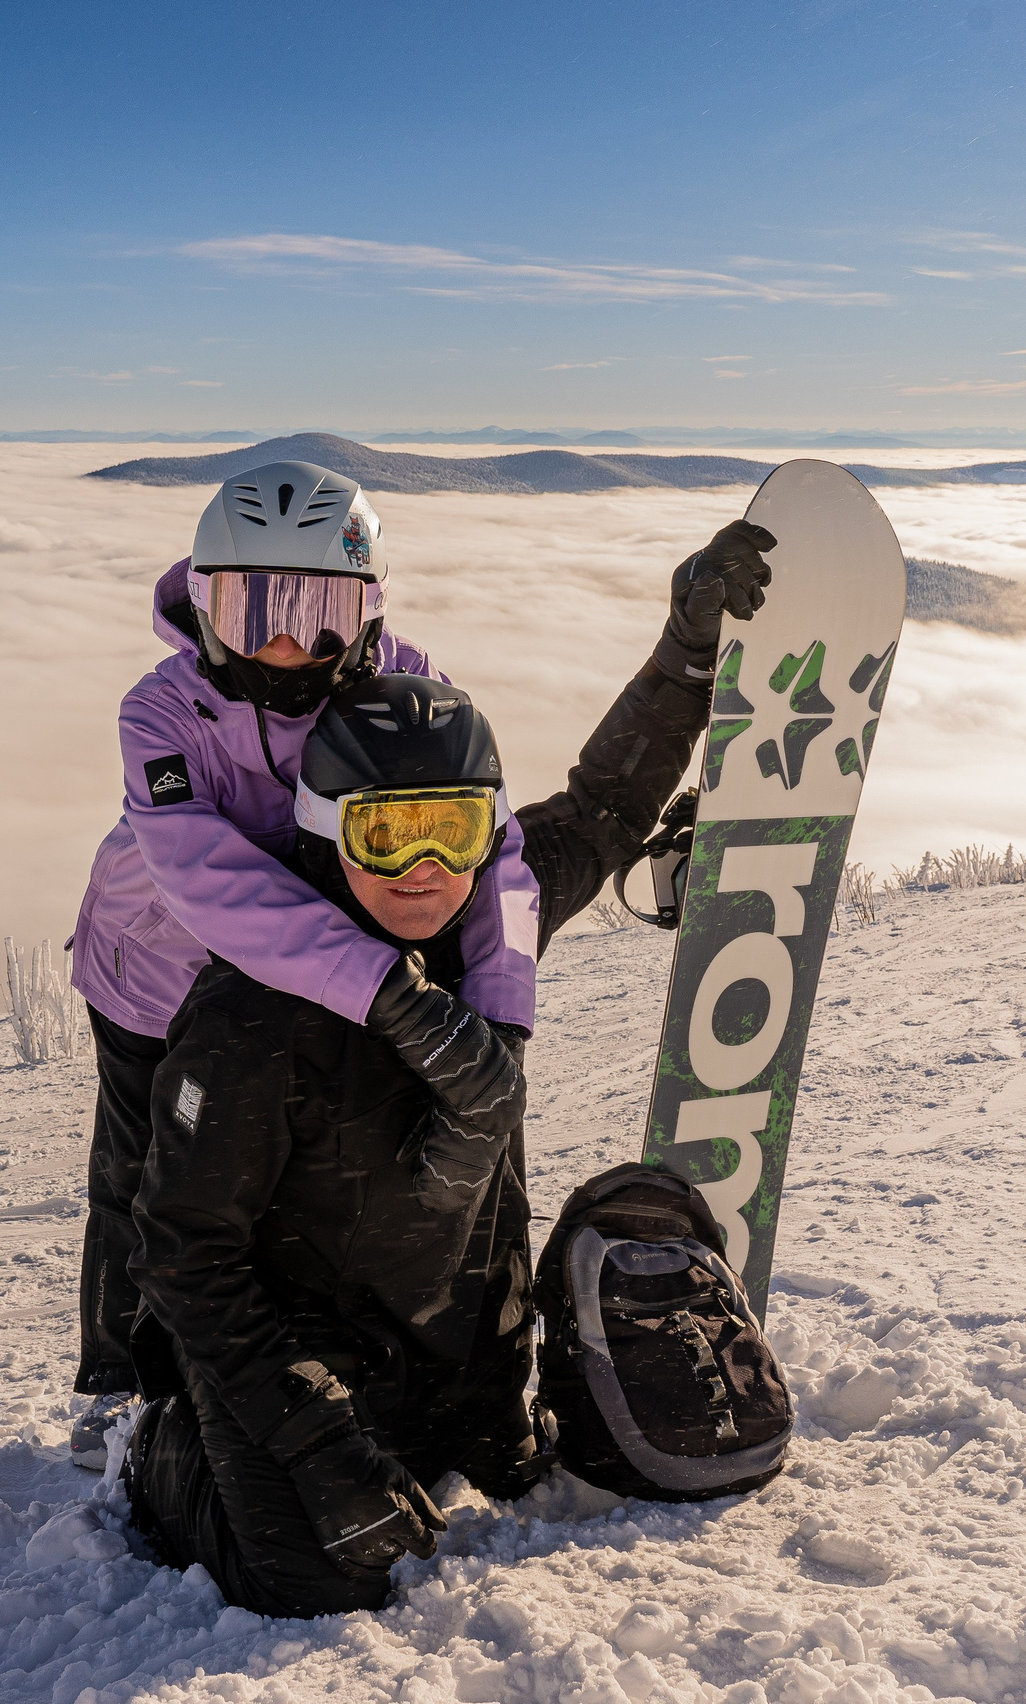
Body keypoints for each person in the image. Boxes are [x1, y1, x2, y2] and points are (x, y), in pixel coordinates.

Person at [117, 522, 776, 1619]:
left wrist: (685, 655)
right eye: (388, 835)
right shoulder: (252, 1015)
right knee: (313, 1579)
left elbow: (606, 807)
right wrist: (317, 1445)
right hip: (300, 1368)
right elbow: (185, 1259)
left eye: (454, 829)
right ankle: (156, 1452)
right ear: (329, 830)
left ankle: (585, 1274)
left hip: (457, 1361)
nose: (425, 869)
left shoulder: (479, 930)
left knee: (522, 1460)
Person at [64, 461, 543, 1465]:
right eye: (253, 610)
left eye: (320, 610)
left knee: (278, 1180)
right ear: (202, 604)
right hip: (154, 975)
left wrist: (497, 1020)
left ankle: (301, 1365)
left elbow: (490, 850)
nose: (286, 642)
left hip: (319, 993)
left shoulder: (408, 684)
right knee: (137, 1173)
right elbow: (209, 879)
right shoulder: (159, 714)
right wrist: (395, 999)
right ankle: (115, 1377)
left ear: (368, 610)